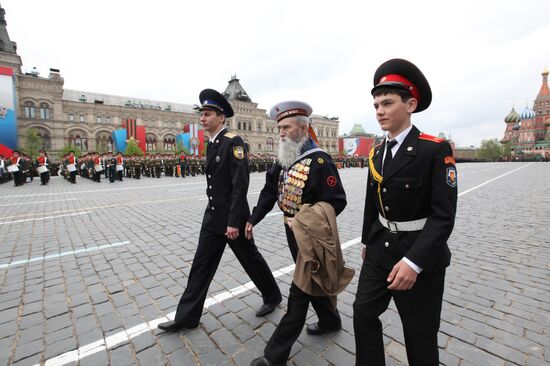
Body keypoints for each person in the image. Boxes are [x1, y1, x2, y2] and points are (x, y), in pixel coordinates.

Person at [353, 58, 458, 366]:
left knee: (420, 333)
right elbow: (373, 201)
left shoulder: (434, 149)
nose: (379, 111)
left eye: (387, 103)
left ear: (410, 104)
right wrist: (365, 242)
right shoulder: (376, 151)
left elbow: (443, 216)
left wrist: (414, 263)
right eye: (376, 105)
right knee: (362, 313)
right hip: (379, 249)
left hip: (418, 255)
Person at [157, 89, 282, 333]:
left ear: (221, 117)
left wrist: (234, 222)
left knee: (250, 259)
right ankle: (187, 317)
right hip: (213, 216)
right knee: (200, 266)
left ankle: (272, 295)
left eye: (207, 114)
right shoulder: (212, 143)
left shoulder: (232, 142)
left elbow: (240, 184)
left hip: (233, 219)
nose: (202, 118)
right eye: (201, 114)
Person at [248, 101, 347, 366]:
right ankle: (330, 320)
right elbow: (270, 191)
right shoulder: (284, 158)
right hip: (290, 232)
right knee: (312, 279)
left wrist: (304, 220)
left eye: (286, 127)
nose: (280, 132)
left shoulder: (319, 161)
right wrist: (252, 219)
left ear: (302, 128)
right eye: (278, 127)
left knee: (300, 289)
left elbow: (337, 201)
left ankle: (274, 355)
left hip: (311, 235)